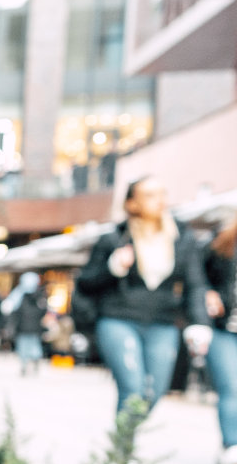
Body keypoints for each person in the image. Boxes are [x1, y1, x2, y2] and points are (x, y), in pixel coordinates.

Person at [76, 176, 212, 416]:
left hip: (162, 322)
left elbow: (195, 284)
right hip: (118, 319)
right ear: (132, 204)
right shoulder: (114, 238)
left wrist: (200, 322)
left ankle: (123, 440)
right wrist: (114, 267)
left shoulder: (182, 238)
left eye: (162, 193)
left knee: (155, 391)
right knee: (132, 388)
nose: (159, 201)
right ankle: (122, 451)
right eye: (150, 195)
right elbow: (86, 283)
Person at [202, 215, 237, 464]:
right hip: (224, 329)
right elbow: (195, 273)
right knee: (231, 388)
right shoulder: (223, 239)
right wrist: (207, 292)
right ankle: (232, 448)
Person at [1, 271, 48, 375]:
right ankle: (34, 362)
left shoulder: (18, 294)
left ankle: (25, 364)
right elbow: (43, 311)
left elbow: (8, 309)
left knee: (24, 346)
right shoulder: (39, 295)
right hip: (34, 327)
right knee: (34, 345)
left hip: (22, 326)